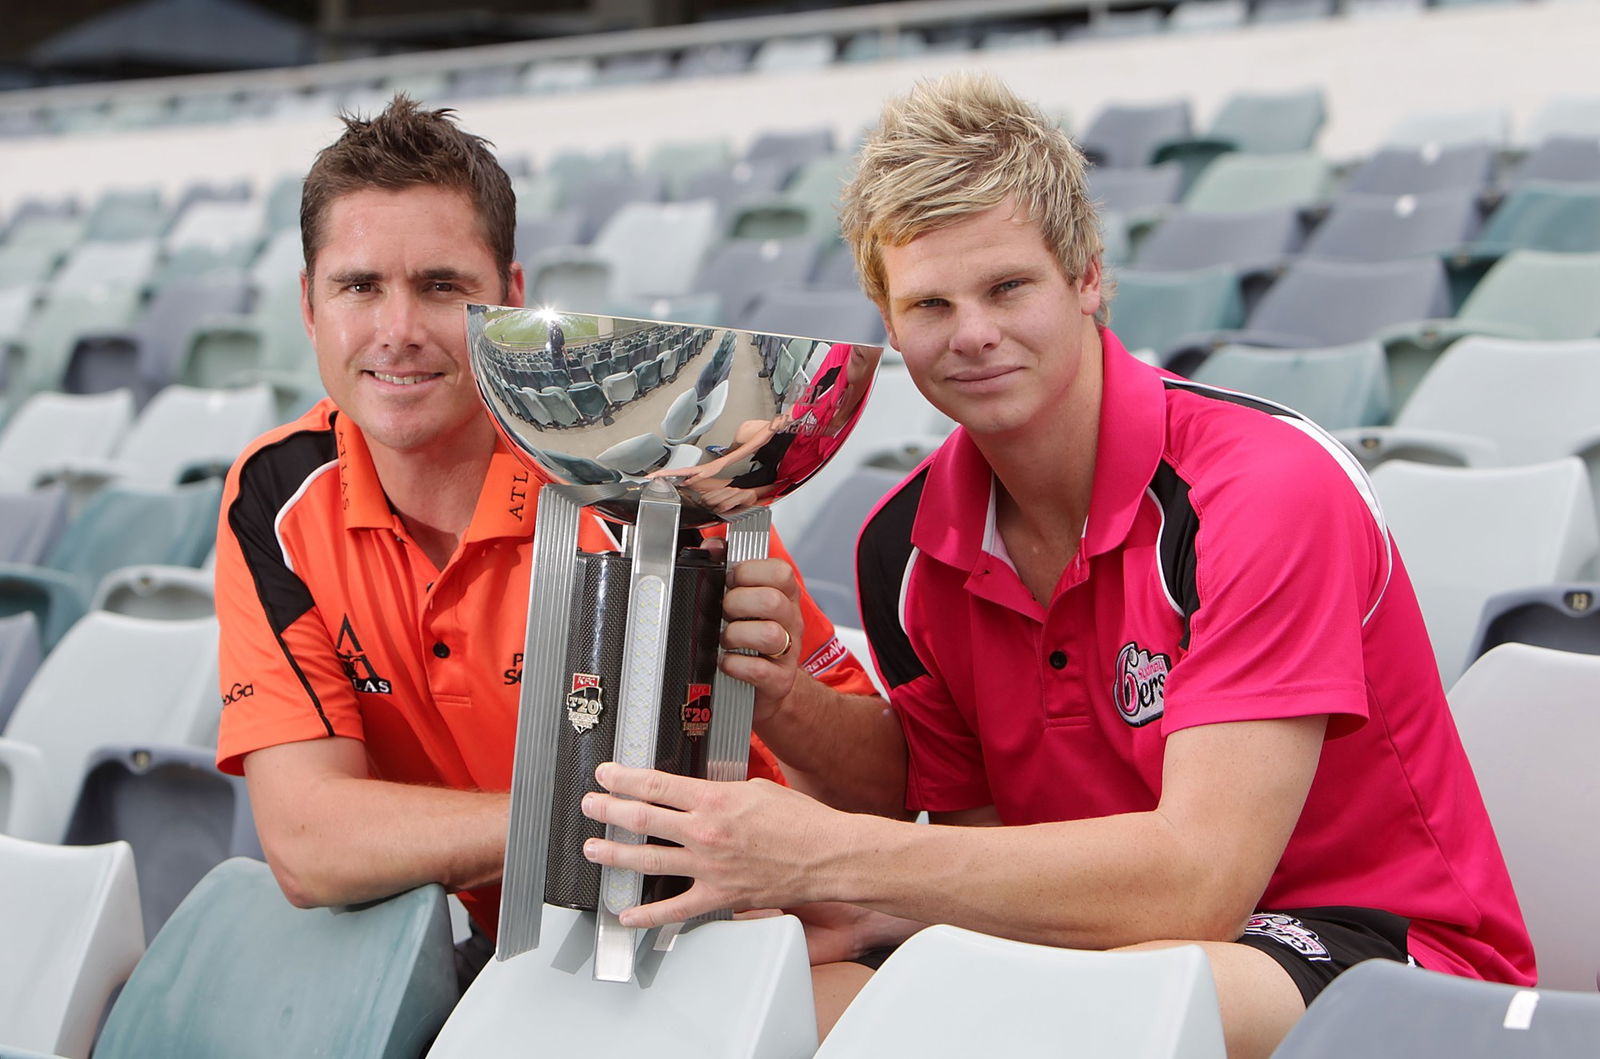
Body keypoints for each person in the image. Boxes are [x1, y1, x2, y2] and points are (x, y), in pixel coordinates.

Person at [576, 74, 1535, 1056]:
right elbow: (977, 838)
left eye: (1007, 287)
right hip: (1112, 942)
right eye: (930, 303)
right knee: (763, 1009)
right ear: (888, 319)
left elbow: (1198, 883)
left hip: (1371, 946)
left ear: (1086, 277)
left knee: (1044, 1020)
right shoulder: (901, 545)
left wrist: (836, 859)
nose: (974, 334)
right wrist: (799, 741)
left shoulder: (1263, 490)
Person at [211, 97, 892, 973]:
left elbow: (884, 790)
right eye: (359, 286)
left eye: (441, 286)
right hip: (535, 963)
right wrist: (588, 817)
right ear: (309, 307)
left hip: (770, 945)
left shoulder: (635, 464)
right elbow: (311, 842)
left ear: (513, 300)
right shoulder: (276, 495)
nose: (399, 331)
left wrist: (788, 697)